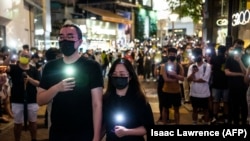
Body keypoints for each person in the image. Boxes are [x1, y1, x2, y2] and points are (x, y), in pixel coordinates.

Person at [37, 24, 103, 141]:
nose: (65, 40)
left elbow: (97, 104)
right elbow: (40, 100)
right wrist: (57, 88)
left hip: (84, 132)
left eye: (70, 36)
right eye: (61, 37)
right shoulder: (50, 67)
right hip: (58, 132)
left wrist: (96, 136)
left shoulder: (92, 66)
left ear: (80, 42)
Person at [102, 58, 154, 141]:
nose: (118, 77)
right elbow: (103, 126)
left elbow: (147, 127)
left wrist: (127, 131)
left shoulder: (139, 99)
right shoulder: (106, 99)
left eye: (122, 74)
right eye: (115, 74)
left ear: (130, 76)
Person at [5, 50, 40, 141]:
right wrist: (10, 56)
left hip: (32, 99)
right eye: (22, 55)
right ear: (19, 57)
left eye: (27, 56)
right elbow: (3, 67)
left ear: (30, 58)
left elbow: (39, 83)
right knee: (18, 123)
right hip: (17, 99)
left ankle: (34, 138)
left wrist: (29, 79)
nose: (24, 57)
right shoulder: (14, 68)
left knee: (33, 122)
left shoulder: (33, 69)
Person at [187, 47, 211, 125]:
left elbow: (205, 79)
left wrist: (195, 80)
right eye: (195, 56)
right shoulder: (192, 66)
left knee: (205, 110)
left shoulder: (207, 66)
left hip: (204, 93)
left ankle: (206, 122)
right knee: (194, 109)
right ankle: (194, 123)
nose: (196, 58)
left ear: (201, 55)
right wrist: (193, 73)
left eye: (197, 56)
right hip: (194, 92)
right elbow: (188, 78)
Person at [161, 47, 184, 125]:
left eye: (173, 54)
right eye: (170, 54)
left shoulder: (179, 66)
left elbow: (183, 78)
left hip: (176, 91)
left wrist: (175, 75)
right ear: (168, 54)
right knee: (165, 109)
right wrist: (176, 79)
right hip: (166, 90)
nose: (172, 55)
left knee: (177, 110)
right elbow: (165, 79)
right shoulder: (164, 66)